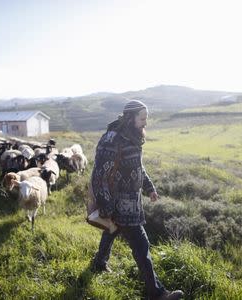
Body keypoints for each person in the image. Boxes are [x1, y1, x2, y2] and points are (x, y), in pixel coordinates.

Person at [90, 100, 184, 300]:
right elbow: (99, 175)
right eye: (142, 119)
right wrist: (106, 206)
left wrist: (149, 188)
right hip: (119, 204)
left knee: (111, 230)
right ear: (130, 118)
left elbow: (137, 167)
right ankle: (157, 294)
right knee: (142, 245)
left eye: (146, 119)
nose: (145, 123)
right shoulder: (112, 140)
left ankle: (99, 263)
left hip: (132, 202)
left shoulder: (131, 137)